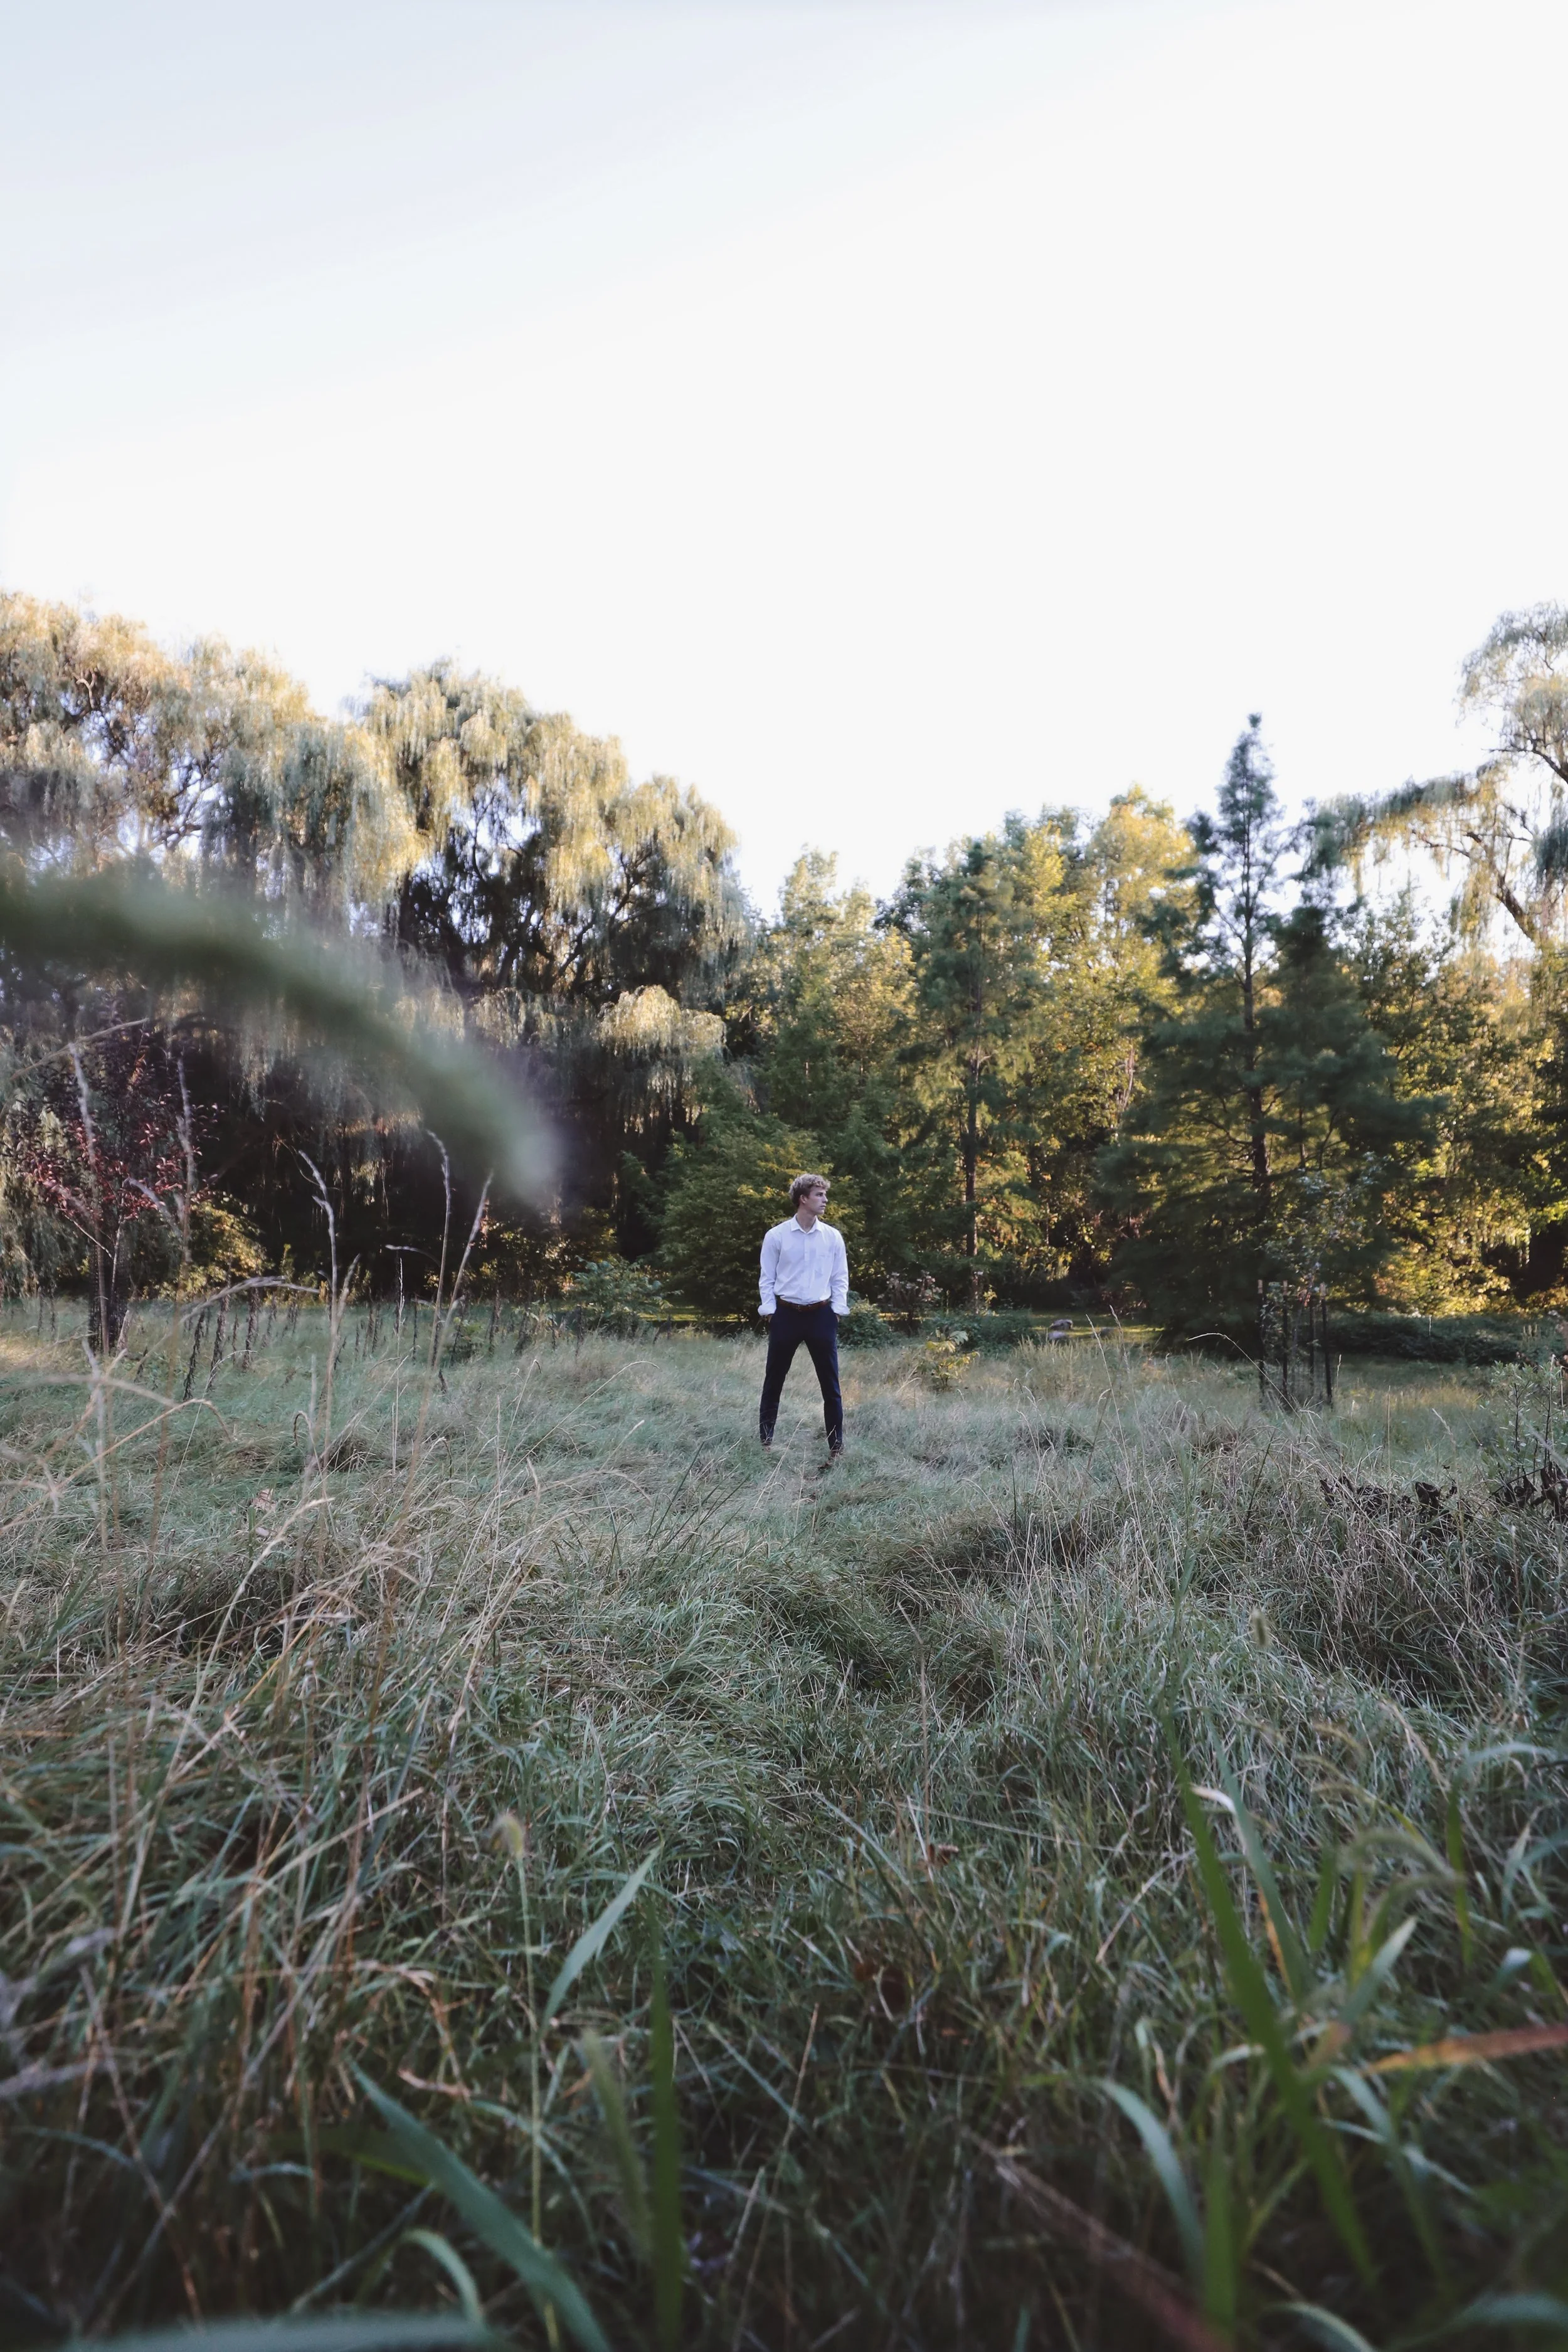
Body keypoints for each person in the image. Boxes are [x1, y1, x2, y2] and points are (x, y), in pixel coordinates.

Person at [758, 1172, 849, 1456]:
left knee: (830, 1384)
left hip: (821, 1316)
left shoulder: (833, 1237)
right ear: (803, 1199)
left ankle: (836, 1446)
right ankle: (765, 1441)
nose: (825, 1200)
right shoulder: (777, 1236)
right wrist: (771, 1312)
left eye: (825, 1194)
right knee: (774, 1379)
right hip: (786, 1315)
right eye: (819, 1195)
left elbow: (840, 1278)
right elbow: (766, 1279)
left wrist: (836, 1311)